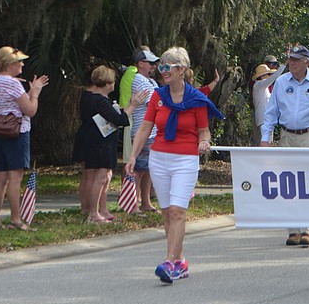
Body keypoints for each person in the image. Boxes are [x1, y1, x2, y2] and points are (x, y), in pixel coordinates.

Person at [125, 47, 224, 283]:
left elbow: (204, 131)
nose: (163, 71)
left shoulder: (196, 99)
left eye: (168, 67)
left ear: (182, 70)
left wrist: (204, 142)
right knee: (168, 212)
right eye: (161, 67)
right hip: (159, 158)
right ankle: (180, 261)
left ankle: (169, 262)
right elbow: (145, 128)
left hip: (185, 159)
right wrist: (132, 156)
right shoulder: (158, 96)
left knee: (179, 211)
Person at [260, 45, 309, 247]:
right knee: (289, 184)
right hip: (288, 136)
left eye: (296, 60)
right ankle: (292, 229)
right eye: (290, 60)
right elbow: (271, 113)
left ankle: (307, 229)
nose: (291, 63)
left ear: (306, 62)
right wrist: (265, 138)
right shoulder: (281, 82)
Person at [73, 66, 148, 223]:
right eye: (113, 82)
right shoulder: (100, 101)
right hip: (101, 142)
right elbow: (119, 119)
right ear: (107, 84)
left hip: (91, 138)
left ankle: (92, 209)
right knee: (99, 177)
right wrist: (133, 105)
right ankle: (93, 213)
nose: (114, 85)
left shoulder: (89, 97)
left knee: (94, 176)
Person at [0, 47, 49, 231]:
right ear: (11, 64)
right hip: (17, 132)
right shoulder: (13, 84)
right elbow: (30, 110)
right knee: (15, 177)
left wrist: (29, 93)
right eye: (20, 61)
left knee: (2, 177)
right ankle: (15, 219)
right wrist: (36, 92)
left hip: (0, 132)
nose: (23, 64)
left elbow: (15, 104)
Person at [128, 49, 161, 213]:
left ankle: (146, 202)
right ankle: (133, 203)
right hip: (143, 130)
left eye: (154, 63)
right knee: (139, 169)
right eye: (150, 63)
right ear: (140, 64)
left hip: (153, 131)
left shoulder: (151, 82)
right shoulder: (139, 80)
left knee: (149, 169)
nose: (153, 66)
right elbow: (153, 104)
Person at [251, 61, 286, 145]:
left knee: (267, 144)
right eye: (268, 74)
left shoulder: (264, 88)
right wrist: (284, 65)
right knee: (263, 144)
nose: (270, 76)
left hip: (267, 121)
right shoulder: (258, 85)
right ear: (262, 76)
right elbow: (273, 78)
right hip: (263, 121)